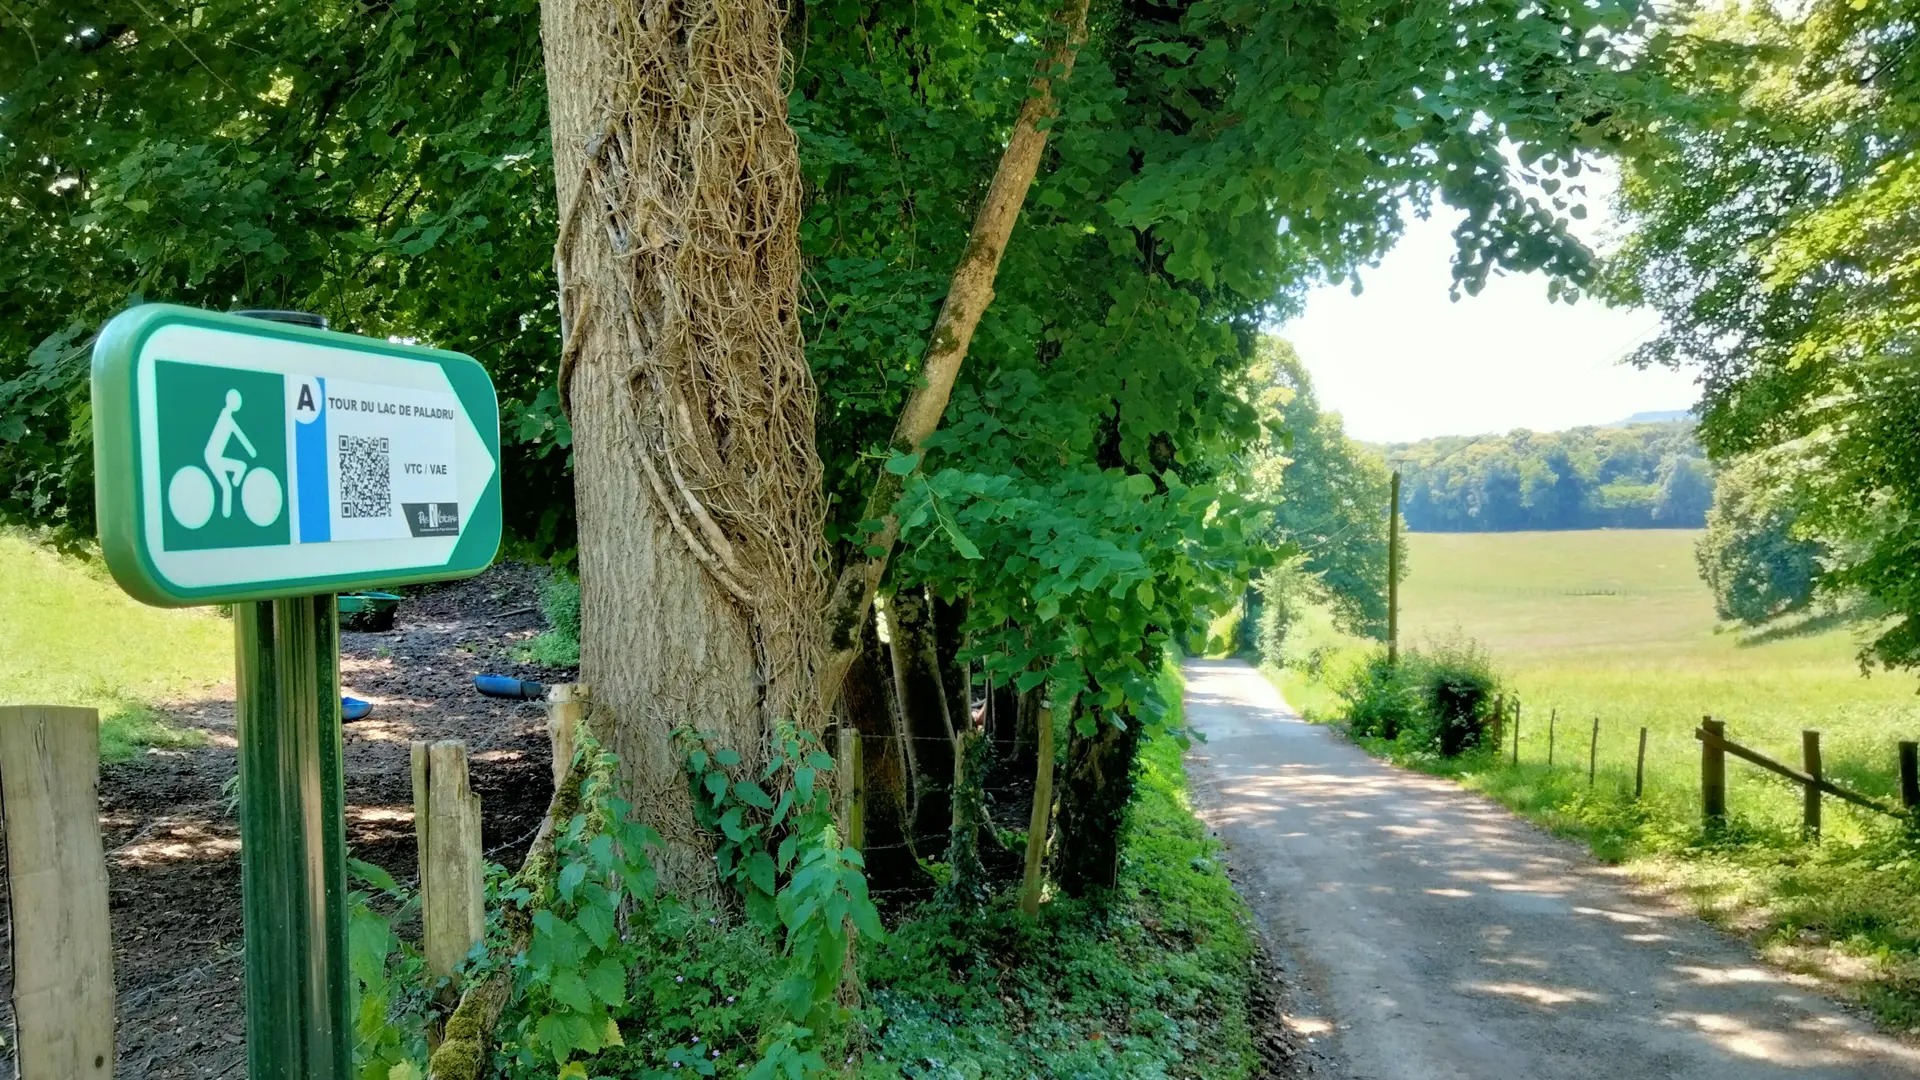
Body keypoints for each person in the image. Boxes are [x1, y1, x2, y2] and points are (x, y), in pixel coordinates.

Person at [204, 388, 257, 520]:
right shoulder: (226, 418)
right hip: (212, 457)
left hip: (214, 457)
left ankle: (235, 485)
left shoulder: (228, 418)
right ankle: (226, 514)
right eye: (237, 402)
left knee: (231, 481)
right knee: (232, 480)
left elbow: (240, 436)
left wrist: (252, 451)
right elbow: (240, 435)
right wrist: (252, 452)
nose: (238, 404)